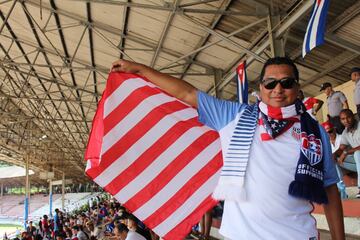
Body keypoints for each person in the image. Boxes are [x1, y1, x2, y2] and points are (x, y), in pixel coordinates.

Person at [111, 56, 345, 240]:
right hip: (240, 236)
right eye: (270, 83)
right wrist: (141, 70)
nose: (278, 89)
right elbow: (187, 92)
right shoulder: (232, 116)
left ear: (297, 86)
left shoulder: (315, 132)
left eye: (286, 82)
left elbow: (331, 190)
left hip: (297, 235)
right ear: (261, 87)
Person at [334, 109, 360, 198]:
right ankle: (342, 190)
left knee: (357, 154)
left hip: (358, 157)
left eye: (348, 117)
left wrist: (346, 152)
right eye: (343, 119)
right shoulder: (345, 132)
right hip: (357, 163)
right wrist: (334, 155)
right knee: (333, 159)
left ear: (353, 116)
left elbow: (345, 151)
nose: (346, 121)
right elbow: (341, 148)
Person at [321, 121, 347, 199]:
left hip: (346, 161)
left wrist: (334, 156)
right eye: (326, 133)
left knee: (332, 160)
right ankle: (341, 191)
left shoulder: (342, 137)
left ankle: (342, 189)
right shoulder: (325, 142)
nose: (329, 134)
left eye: (330, 131)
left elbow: (342, 150)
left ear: (334, 129)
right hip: (337, 164)